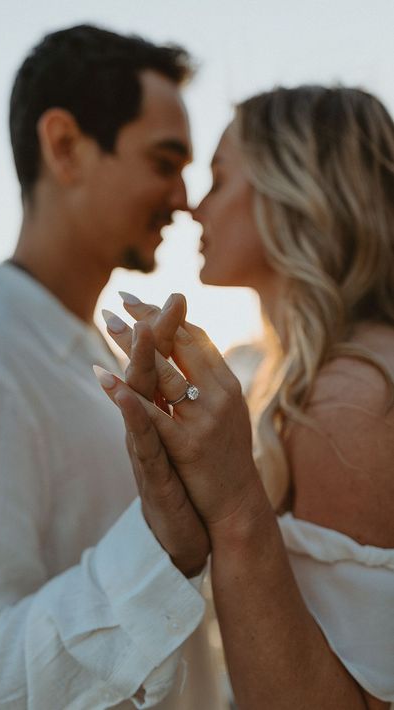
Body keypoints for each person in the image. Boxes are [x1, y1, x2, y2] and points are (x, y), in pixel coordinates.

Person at [0, 25, 225, 709]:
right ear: (64, 146)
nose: (183, 197)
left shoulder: (83, 355)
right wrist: (159, 552)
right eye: (164, 160)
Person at [96, 86, 394, 709]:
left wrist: (233, 505)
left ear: (295, 192)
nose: (195, 209)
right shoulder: (303, 381)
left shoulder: (351, 405)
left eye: (220, 179)